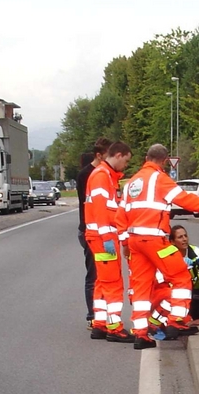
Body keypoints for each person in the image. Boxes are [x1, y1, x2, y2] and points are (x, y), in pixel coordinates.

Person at [116, 144, 199, 350]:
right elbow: (185, 199)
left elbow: (120, 215)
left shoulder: (132, 183)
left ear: (146, 157)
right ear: (164, 161)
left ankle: (140, 334)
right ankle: (177, 322)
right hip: (155, 239)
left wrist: (125, 242)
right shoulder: (159, 178)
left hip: (135, 241)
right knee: (181, 276)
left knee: (141, 288)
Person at [84, 141, 134, 343]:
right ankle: (114, 327)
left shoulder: (105, 176)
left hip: (100, 236)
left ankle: (100, 324)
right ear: (119, 155)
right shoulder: (102, 176)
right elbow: (100, 210)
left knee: (102, 282)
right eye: (127, 161)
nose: (126, 165)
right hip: (102, 237)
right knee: (113, 282)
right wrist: (107, 237)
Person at [76, 138, 112, 329]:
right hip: (91, 230)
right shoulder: (87, 175)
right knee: (94, 274)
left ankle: (103, 314)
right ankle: (93, 314)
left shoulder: (106, 174)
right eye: (109, 155)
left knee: (105, 275)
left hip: (103, 231)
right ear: (99, 155)